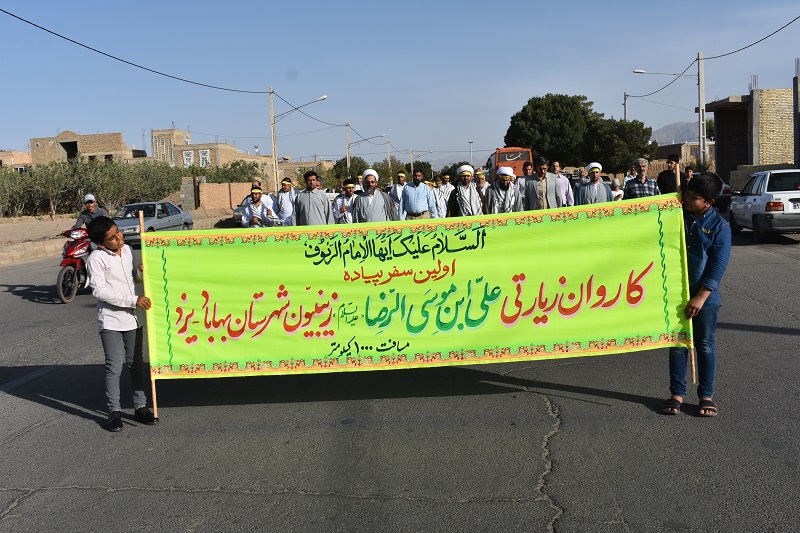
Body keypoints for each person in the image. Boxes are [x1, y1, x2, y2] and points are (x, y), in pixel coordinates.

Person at [662, 173, 731, 417]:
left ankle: (706, 396)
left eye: (694, 197)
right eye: (687, 193)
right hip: (676, 294)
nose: (688, 199)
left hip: (705, 299)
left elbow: (717, 265)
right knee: (677, 344)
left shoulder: (720, 227)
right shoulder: (675, 216)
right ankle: (676, 394)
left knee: (705, 345)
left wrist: (701, 297)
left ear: (709, 203)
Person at [86, 216, 157, 432]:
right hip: (111, 321)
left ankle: (140, 407)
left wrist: (140, 272)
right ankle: (114, 412)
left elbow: (132, 278)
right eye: (112, 237)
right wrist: (133, 300)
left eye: (117, 231)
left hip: (132, 318)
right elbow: (100, 291)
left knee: (136, 364)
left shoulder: (127, 251)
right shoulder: (96, 259)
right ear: (101, 243)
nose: (119, 237)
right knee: (114, 366)